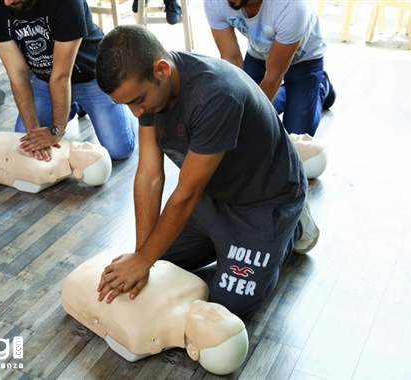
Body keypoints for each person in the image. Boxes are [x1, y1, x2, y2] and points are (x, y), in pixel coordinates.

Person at [93, 24, 320, 319]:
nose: (137, 113)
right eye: (128, 105)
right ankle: (220, 241)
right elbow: (149, 177)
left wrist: (145, 259)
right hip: (212, 196)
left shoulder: (214, 95)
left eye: (137, 100)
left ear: (161, 69)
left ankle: (294, 224)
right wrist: (142, 256)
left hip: (264, 204)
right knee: (156, 261)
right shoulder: (150, 91)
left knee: (227, 308)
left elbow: (186, 195)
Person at [0, 0, 137, 162]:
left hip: (93, 77)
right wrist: (33, 132)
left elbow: (61, 76)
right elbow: (18, 75)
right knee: (24, 138)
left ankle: (124, 104)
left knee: (118, 150)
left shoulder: (68, 3)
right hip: (46, 80)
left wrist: (56, 131)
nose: (8, 2)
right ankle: (73, 105)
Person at [61, 248, 249, 375]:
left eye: (213, 322)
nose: (214, 311)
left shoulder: (140, 335)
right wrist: (142, 258)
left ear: (193, 351)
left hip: (82, 280)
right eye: (227, 315)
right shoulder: (198, 287)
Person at [204, 0, 336, 136]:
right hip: (259, 54)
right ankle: (289, 94)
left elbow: (273, 77)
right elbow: (231, 59)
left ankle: (321, 87)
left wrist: (248, 120)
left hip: (305, 58)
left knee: (295, 134)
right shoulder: (215, 2)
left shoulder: (292, 5)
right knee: (248, 110)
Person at [0, 131, 112, 192]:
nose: (87, 143)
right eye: (91, 145)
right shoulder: (66, 146)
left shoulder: (46, 170)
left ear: (79, 173)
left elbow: (22, 148)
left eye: (88, 151)